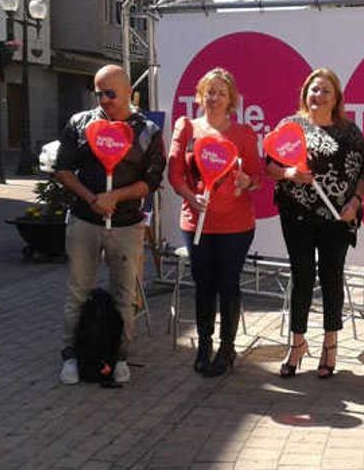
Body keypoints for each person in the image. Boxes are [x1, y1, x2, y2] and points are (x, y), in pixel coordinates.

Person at [55, 64, 166, 385]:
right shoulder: (80, 123)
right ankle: (71, 356)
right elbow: (62, 169)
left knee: (124, 294)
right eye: (98, 92)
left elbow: (152, 180)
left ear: (128, 91)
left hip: (127, 224)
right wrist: (93, 198)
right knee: (78, 290)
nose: (103, 99)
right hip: (85, 220)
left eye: (110, 93)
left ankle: (119, 357)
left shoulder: (146, 131)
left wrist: (116, 195)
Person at [265, 68, 364, 379]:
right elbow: (270, 164)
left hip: (337, 217)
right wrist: (288, 174)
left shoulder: (350, 133)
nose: (318, 96)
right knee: (302, 276)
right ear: (305, 94)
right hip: (296, 214)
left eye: (325, 91)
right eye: (313, 89)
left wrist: (356, 201)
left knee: (331, 276)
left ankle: (330, 343)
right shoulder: (290, 126)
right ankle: (297, 344)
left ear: (336, 98)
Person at [168, 67, 260, 377]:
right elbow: (175, 173)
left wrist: (246, 181)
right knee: (203, 284)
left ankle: (227, 347)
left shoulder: (244, 134)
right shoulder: (187, 127)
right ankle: (204, 345)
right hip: (197, 223)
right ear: (200, 95)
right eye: (209, 91)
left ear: (231, 99)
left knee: (228, 285)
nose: (214, 98)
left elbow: (258, 178)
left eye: (221, 92)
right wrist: (189, 196)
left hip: (237, 225)